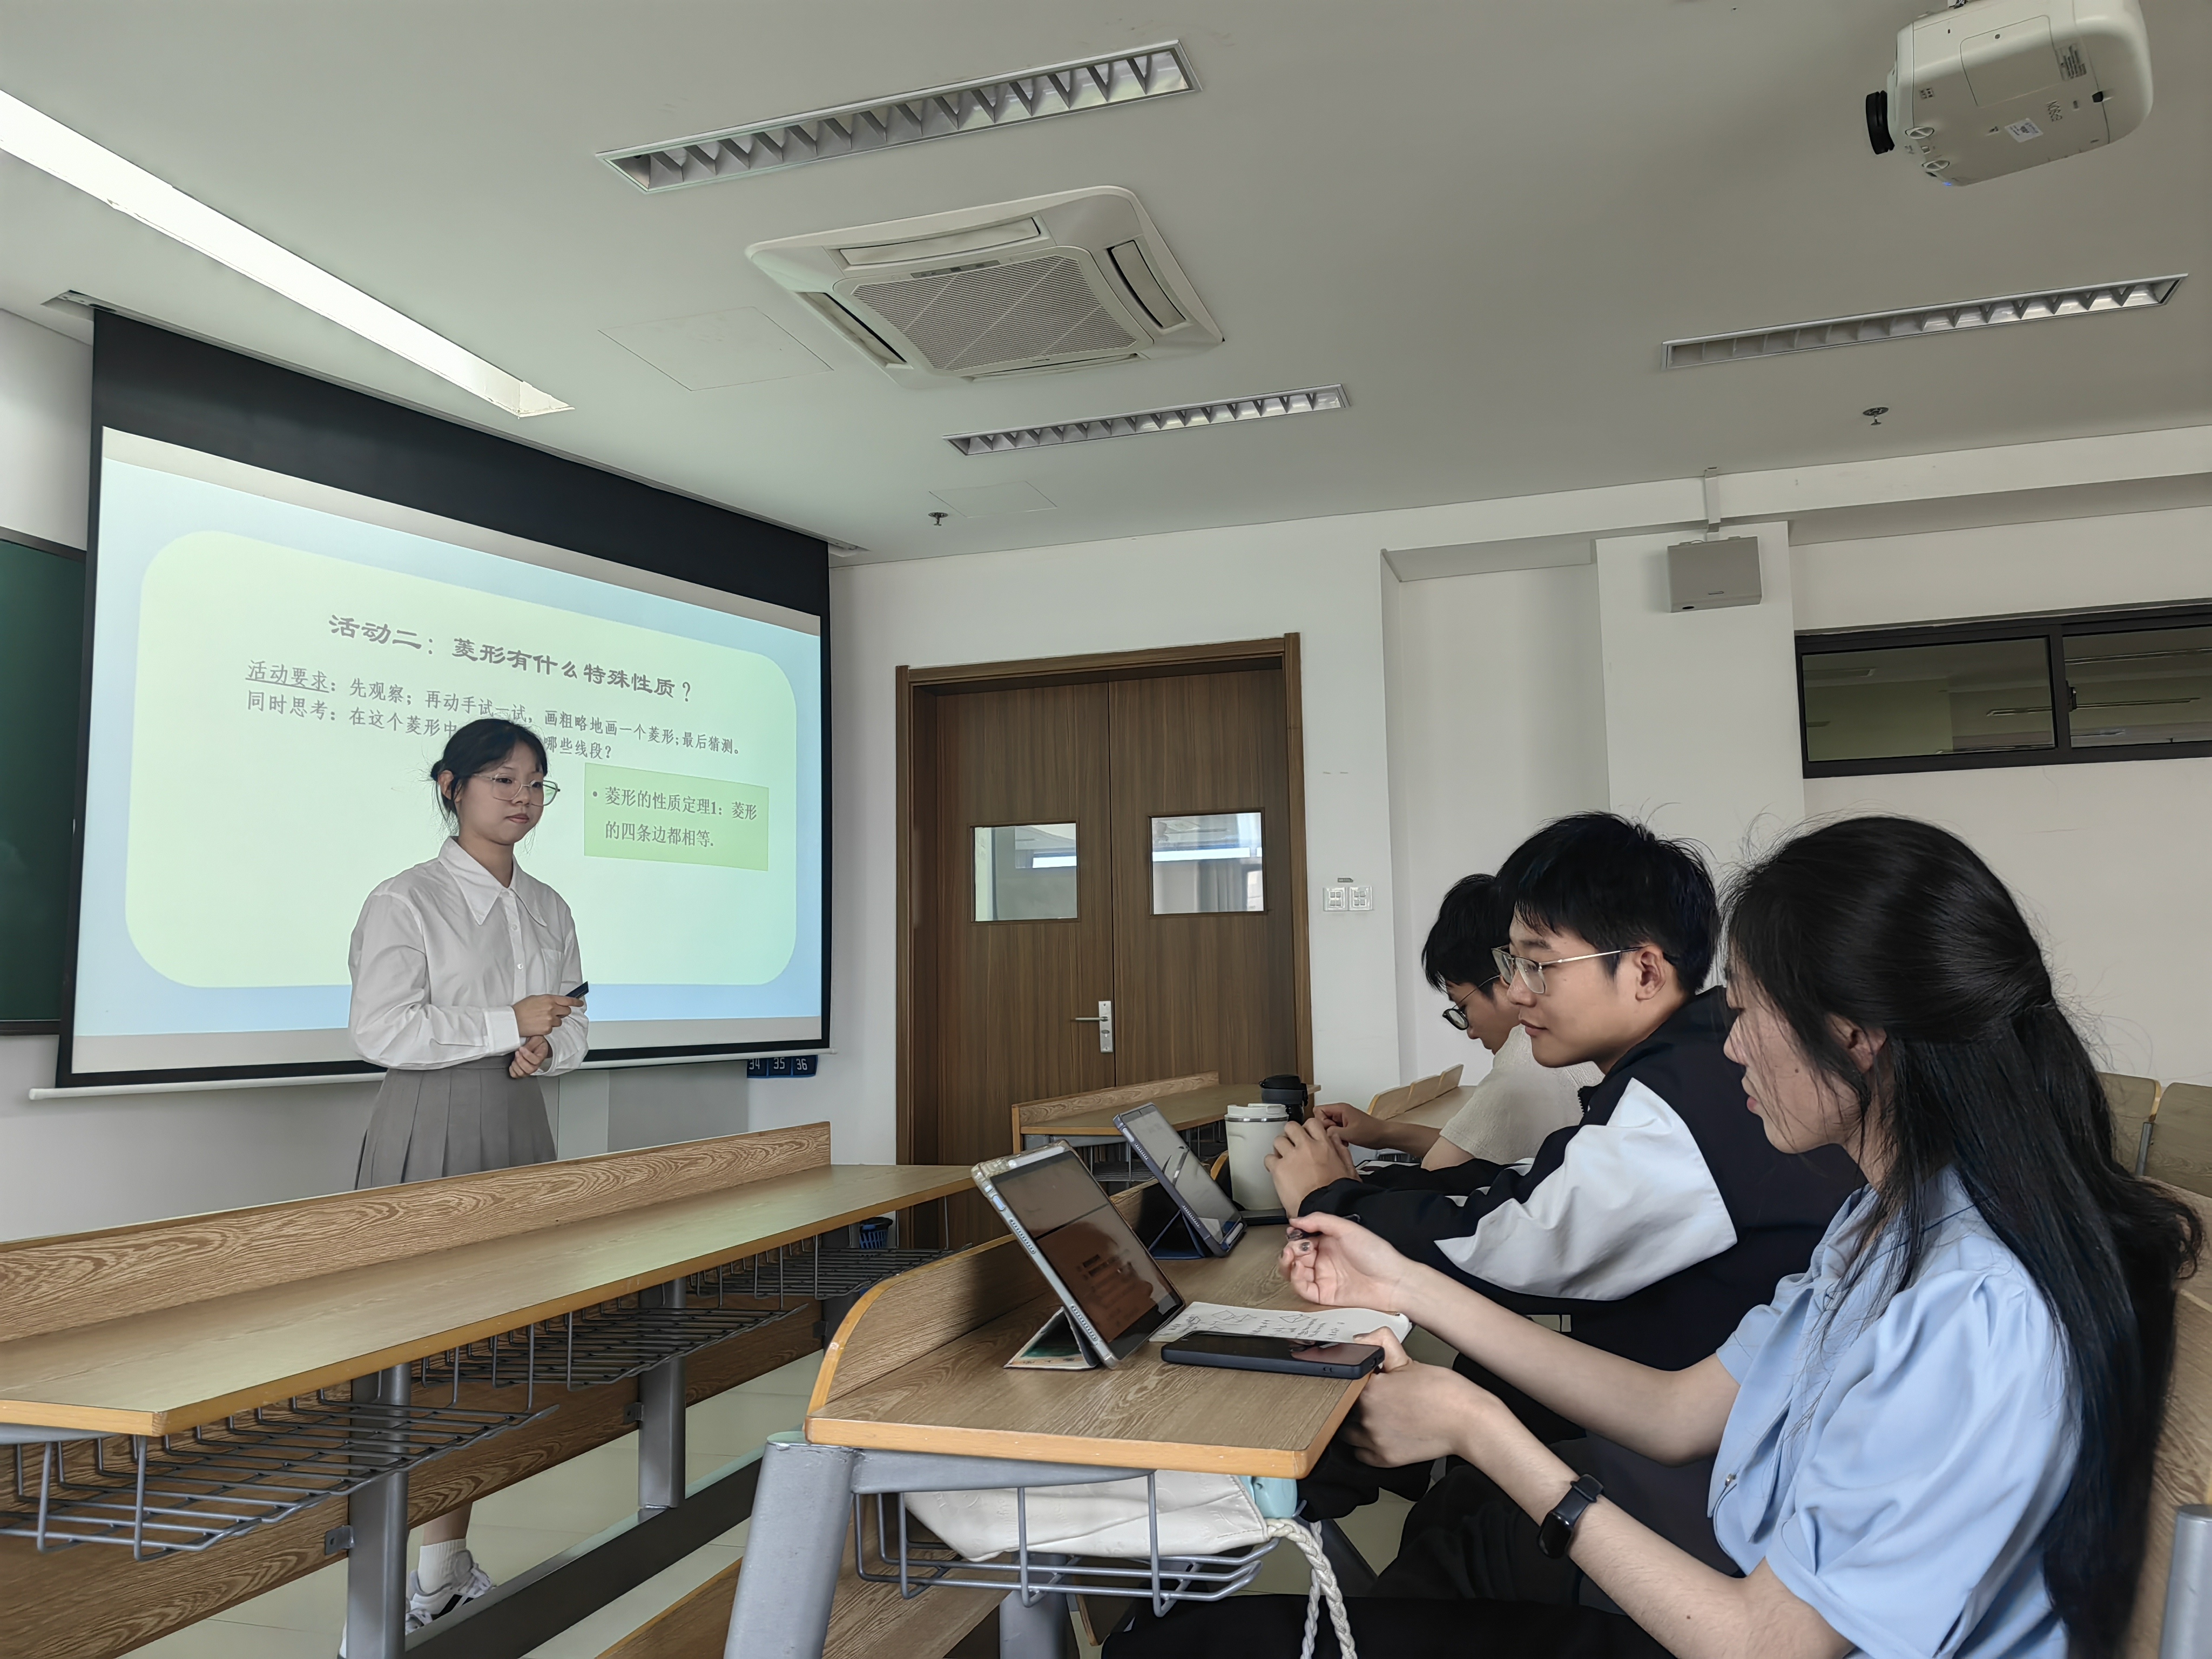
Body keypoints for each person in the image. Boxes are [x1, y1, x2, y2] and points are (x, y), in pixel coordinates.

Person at [1110, 815, 2202, 1659]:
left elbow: (1767, 1645)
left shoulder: (1969, 1301)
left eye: (1751, 1010)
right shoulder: (1889, 1222)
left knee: (1203, 1644)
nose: (1733, 1045)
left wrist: (1481, 1430)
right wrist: (1407, 1286)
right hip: (1732, 1576)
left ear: (1856, 1036)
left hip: (1739, 1625)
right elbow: (1678, 1412)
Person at [1266, 813, 1854, 1590]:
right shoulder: (1675, 1064)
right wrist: (1364, 1197)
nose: (1517, 992)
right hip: (1687, 1413)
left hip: (1706, 1473)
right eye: (1512, 964)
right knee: (1457, 1441)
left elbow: (1515, 1243)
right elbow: (1532, 1183)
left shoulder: (1682, 1092)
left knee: (1453, 1500)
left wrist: (1330, 1199)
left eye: (1539, 964)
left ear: (1643, 971)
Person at [345, 718, 586, 1637]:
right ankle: (370, 1599)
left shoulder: (549, 904)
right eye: (501, 779)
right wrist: (505, 1023)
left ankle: (442, 1568)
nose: (522, 797)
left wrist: (545, 1047)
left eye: (535, 783)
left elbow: (574, 1021)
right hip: (429, 1118)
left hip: (518, 1117)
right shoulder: (406, 899)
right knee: (413, 1354)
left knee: (494, 1352)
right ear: (451, 786)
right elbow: (381, 1030)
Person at [1313, 873, 1599, 1170]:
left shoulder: (1524, 1063)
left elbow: (1438, 1170)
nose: (1471, 1032)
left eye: (1463, 1007)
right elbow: (1472, 1147)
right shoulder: (1576, 1041)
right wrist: (1383, 1132)